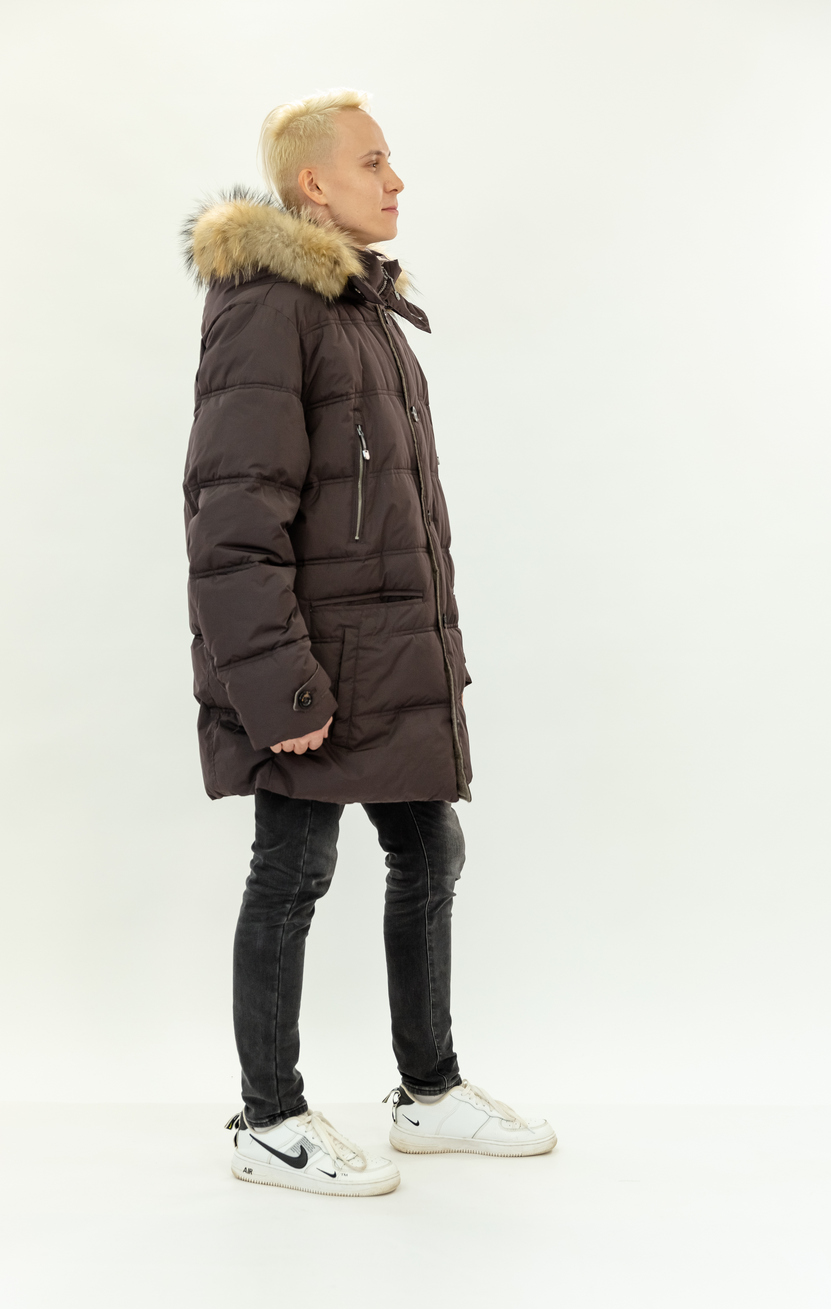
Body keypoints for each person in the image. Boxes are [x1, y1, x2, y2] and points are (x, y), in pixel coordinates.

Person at [182, 89, 556, 1196]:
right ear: (314, 183)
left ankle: (428, 1094)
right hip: (315, 669)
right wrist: (280, 687)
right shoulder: (270, 307)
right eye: (374, 162)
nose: (396, 182)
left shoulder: (359, 308)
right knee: (293, 869)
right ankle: (269, 1121)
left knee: (429, 853)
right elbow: (232, 517)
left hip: (384, 657)